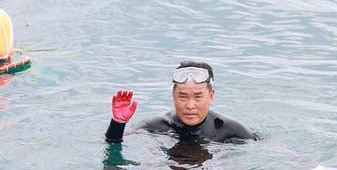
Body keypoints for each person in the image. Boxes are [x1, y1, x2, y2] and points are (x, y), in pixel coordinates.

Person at [105, 61, 255, 144]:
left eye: (198, 97)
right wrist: (118, 124)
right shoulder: (156, 126)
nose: (190, 105)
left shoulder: (231, 129)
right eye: (183, 97)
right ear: (173, 96)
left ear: (211, 96)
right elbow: (113, 145)